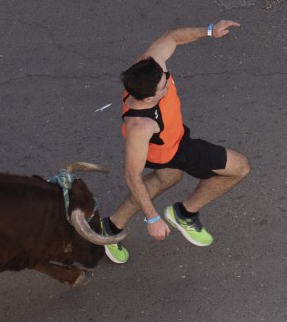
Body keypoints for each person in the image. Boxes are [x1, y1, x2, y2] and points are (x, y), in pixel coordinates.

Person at [101, 21, 250, 264]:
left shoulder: (150, 67)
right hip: (172, 150)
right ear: (150, 98)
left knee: (166, 178)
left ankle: (110, 228)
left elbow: (172, 37)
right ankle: (185, 213)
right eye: (163, 86)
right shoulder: (140, 126)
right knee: (239, 167)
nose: (168, 81)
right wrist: (152, 218)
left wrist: (210, 31)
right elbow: (131, 174)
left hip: (174, 137)